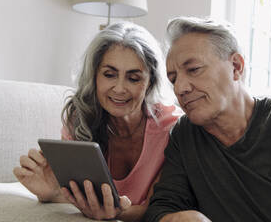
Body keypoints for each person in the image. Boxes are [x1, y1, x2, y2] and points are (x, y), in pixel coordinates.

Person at [143, 17, 271, 222]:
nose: (180, 88)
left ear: (236, 67)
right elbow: (162, 206)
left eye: (193, 69)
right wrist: (175, 218)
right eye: (173, 78)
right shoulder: (184, 135)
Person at [13, 21, 181, 221]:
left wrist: (115, 213)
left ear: (150, 82)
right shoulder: (80, 119)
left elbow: (159, 210)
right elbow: (81, 198)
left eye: (133, 78)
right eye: (109, 75)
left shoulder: (172, 129)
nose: (119, 88)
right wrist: (50, 193)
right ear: (94, 76)